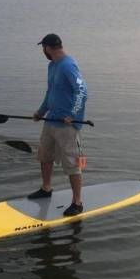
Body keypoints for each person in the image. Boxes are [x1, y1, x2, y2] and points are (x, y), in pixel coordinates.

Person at [29, 33, 88, 217]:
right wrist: (41, 112)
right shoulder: (52, 66)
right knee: (44, 155)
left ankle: (77, 202)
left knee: (72, 163)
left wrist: (73, 114)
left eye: (43, 48)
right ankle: (46, 188)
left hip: (67, 126)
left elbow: (82, 91)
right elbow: (50, 92)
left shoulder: (68, 65)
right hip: (51, 121)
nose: (43, 52)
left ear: (48, 47)